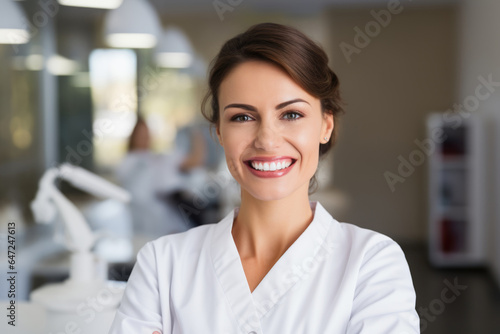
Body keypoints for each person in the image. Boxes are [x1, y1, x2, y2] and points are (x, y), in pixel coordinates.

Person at [109, 23, 419, 333]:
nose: (267, 140)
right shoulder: (162, 265)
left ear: (326, 125)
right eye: (242, 117)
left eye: (291, 114)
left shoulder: (371, 263)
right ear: (219, 132)